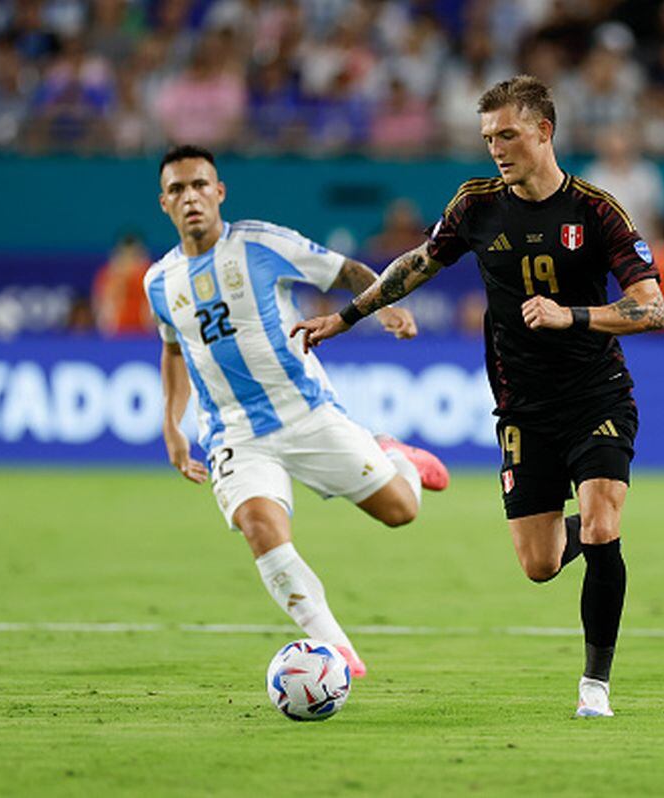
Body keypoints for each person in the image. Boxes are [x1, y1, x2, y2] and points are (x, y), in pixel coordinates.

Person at [292, 75, 664, 717]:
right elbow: (419, 263)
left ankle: (594, 687)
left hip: (597, 395)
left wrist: (570, 315)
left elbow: (651, 309)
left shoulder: (599, 211)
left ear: (544, 131)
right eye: (489, 137)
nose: (497, 147)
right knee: (540, 564)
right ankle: (593, 535)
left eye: (509, 135)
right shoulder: (476, 204)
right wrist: (347, 316)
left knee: (604, 525)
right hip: (522, 408)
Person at [144, 144, 449, 680]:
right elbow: (174, 351)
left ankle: (395, 455)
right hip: (234, 432)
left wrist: (385, 305)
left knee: (401, 510)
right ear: (163, 203)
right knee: (260, 524)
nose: (189, 196)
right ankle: (337, 649)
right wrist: (172, 425)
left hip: (305, 411)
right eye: (177, 189)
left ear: (219, 193)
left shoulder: (260, 242)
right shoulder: (159, 283)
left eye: (199, 185)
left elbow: (345, 270)